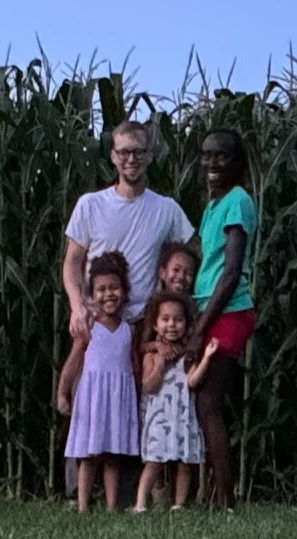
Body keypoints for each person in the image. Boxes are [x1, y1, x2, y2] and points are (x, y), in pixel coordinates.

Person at [60, 120, 196, 506]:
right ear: (113, 157)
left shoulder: (166, 209)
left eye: (138, 151)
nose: (131, 159)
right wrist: (76, 305)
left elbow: (188, 254)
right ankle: (76, 493)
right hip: (96, 322)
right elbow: (72, 263)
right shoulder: (91, 205)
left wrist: (174, 296)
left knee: (135, 407)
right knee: (88, 404)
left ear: (149, 155)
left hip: (142, 323)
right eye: (123, 152)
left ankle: (130, 496)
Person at [185, 128, 258, 509]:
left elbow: (229, 274)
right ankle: (216, 494)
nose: (211, 164)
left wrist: (198, 331)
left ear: (238, 163)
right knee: (204, 403)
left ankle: (227, 499)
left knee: (209, 404)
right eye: (206, 155)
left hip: (228, 311)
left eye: (221, 156)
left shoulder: (238, 202)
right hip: (211, 309)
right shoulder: (214, 206)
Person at [58, 251, 140, 512]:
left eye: (114, 288)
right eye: (101, 290)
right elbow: (73, 363)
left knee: (112, 456)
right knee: (89, 456)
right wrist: (62, 393)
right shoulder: (89, 327)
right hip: (93, 400)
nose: (108, 294)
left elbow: (134, 365)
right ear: (92, 295)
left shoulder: (130, 330)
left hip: (118, 400)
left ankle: (111, 506)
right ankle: (82, 507)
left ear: (124, 292)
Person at [134, 291, 218, 513]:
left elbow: (192, 381)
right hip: (160, 418)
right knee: (154, 461)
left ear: (187, 324)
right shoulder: (152, 355)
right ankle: (141, 502)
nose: (171, 325)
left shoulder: (188, 355)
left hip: (182, 418)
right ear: (155, 324)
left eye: (178, 320)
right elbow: (149, 386)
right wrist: (160, 363)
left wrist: (207, 358)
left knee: (184, 464)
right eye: (165, 319)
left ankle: (179, 505)